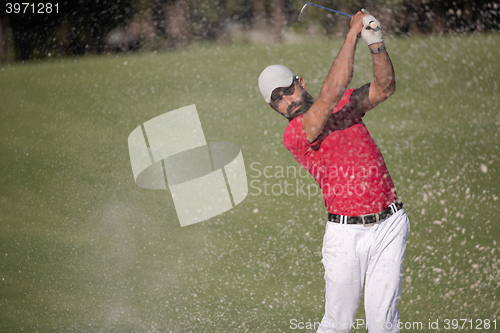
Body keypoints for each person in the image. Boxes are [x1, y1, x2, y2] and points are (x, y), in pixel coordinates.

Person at [257, 11, 410, 333]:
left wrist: (376, 43)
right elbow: (333, 87)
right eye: (278, 101)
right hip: (345, 236)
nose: (286, 101)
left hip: (390, 224)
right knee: (337, 324)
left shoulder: (345, 104)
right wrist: (352, 34)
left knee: (385, 324)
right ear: (274, 109)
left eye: (287, 90)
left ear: (300, 82)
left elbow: (384, 87)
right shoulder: (297, 133)